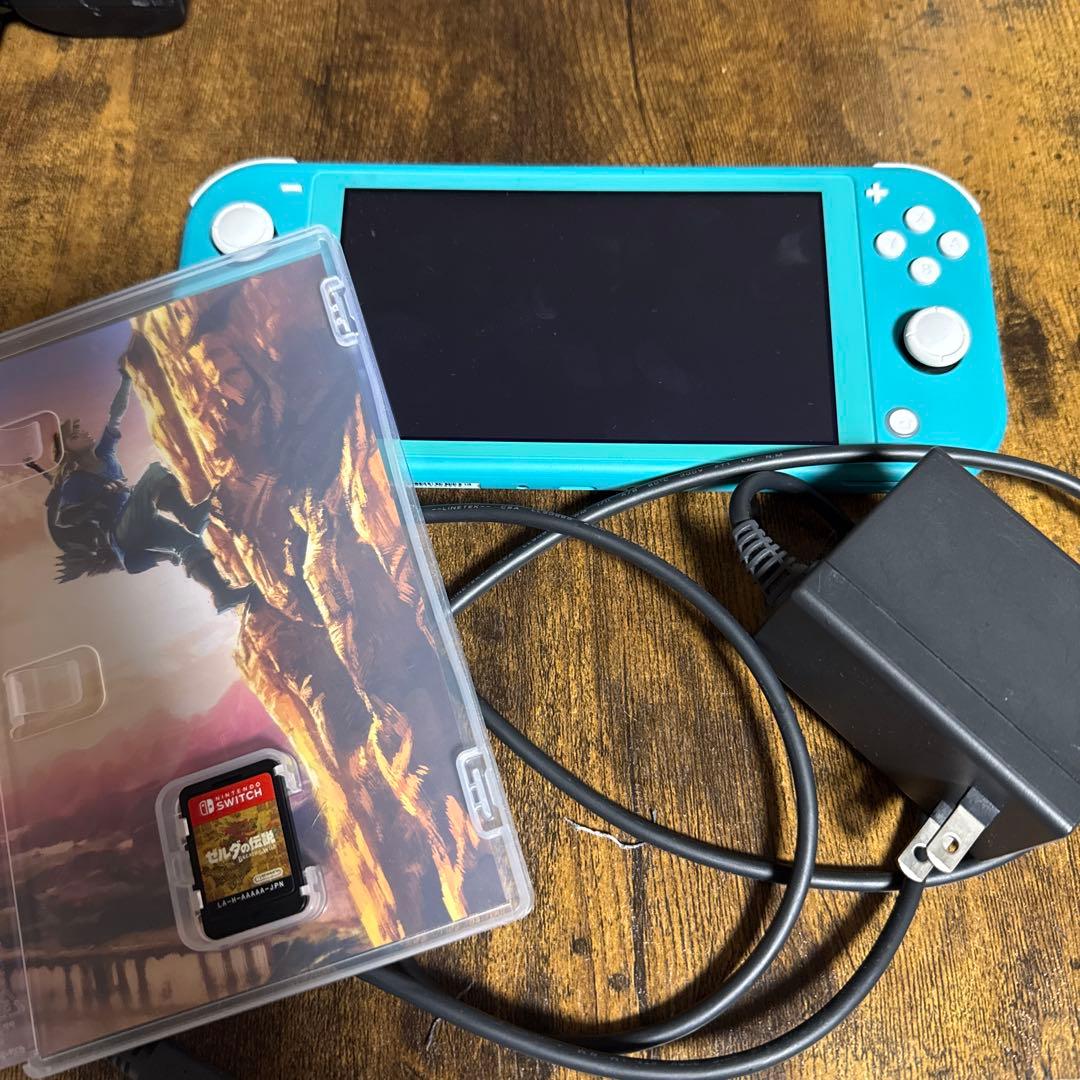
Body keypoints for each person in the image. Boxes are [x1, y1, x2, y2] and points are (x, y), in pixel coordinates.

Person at [47, 365, 255, 613]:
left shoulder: (105, 454)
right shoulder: (75, 482)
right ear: (68, 452)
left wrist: (126, 381)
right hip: (121, 530)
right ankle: (190, 516)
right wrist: (100, 497)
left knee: (188, 542)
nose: (83, 433)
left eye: (79, 431)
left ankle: (222, 595)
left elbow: (116, 415)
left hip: (141, 521)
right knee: (155, 473)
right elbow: (65, 518)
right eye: (75, 437)